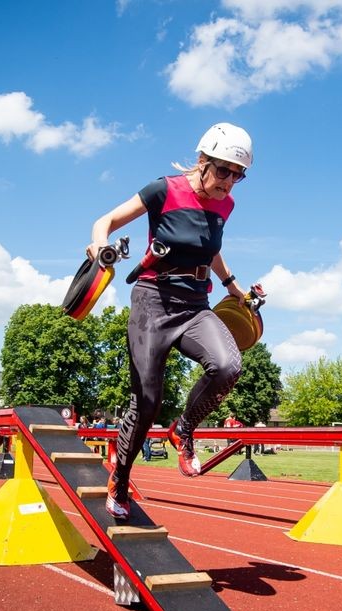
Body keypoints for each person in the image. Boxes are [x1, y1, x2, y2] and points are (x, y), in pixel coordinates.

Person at [86, 122, 252, 519]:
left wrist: (232, 286)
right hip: (152, 301)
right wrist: (99, 244)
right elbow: (104, 221)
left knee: (228, 365)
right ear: (203, 161)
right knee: (146, 401)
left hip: (195, 304)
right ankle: (121, 480)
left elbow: (210, 250)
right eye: (224, 170)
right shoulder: (164, 189)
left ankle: (183, 430)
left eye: (239, 174)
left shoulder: (225, 205)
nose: (230, 181)